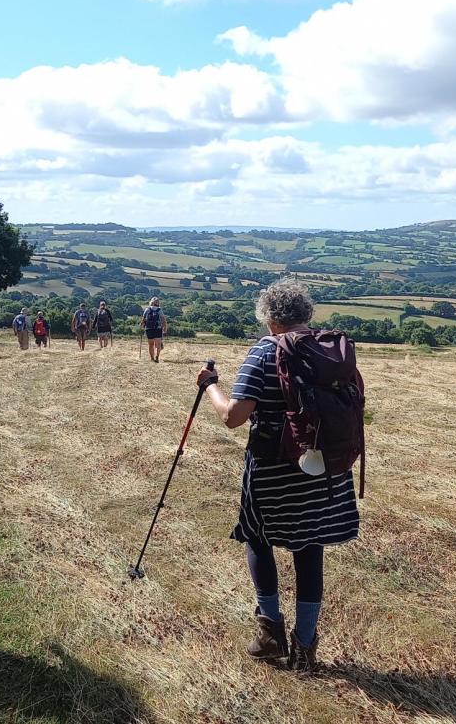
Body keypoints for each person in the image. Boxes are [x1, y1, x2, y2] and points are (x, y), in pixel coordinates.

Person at [195, 279, 359, 672]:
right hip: (323, 469)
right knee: (309, 548)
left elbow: (233, 417)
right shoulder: (331, 350)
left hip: (273, 468)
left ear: (269, 317)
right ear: (306, 315)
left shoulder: (265, 351)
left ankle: (270, 634)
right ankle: (305, 647)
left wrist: (211, 386)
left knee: (257, 537)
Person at [140, 297, 167, 362]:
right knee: (158, 344)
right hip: (158, 329)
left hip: (149, 329)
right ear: (158, 303)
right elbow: (163, 320)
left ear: (151, 302)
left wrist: (141, 326)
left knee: (151, 344)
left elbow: (143, 319)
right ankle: (157, 357)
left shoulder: (147, 309)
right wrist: (165, 328)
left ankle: (152, 358)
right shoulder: (159, 310)